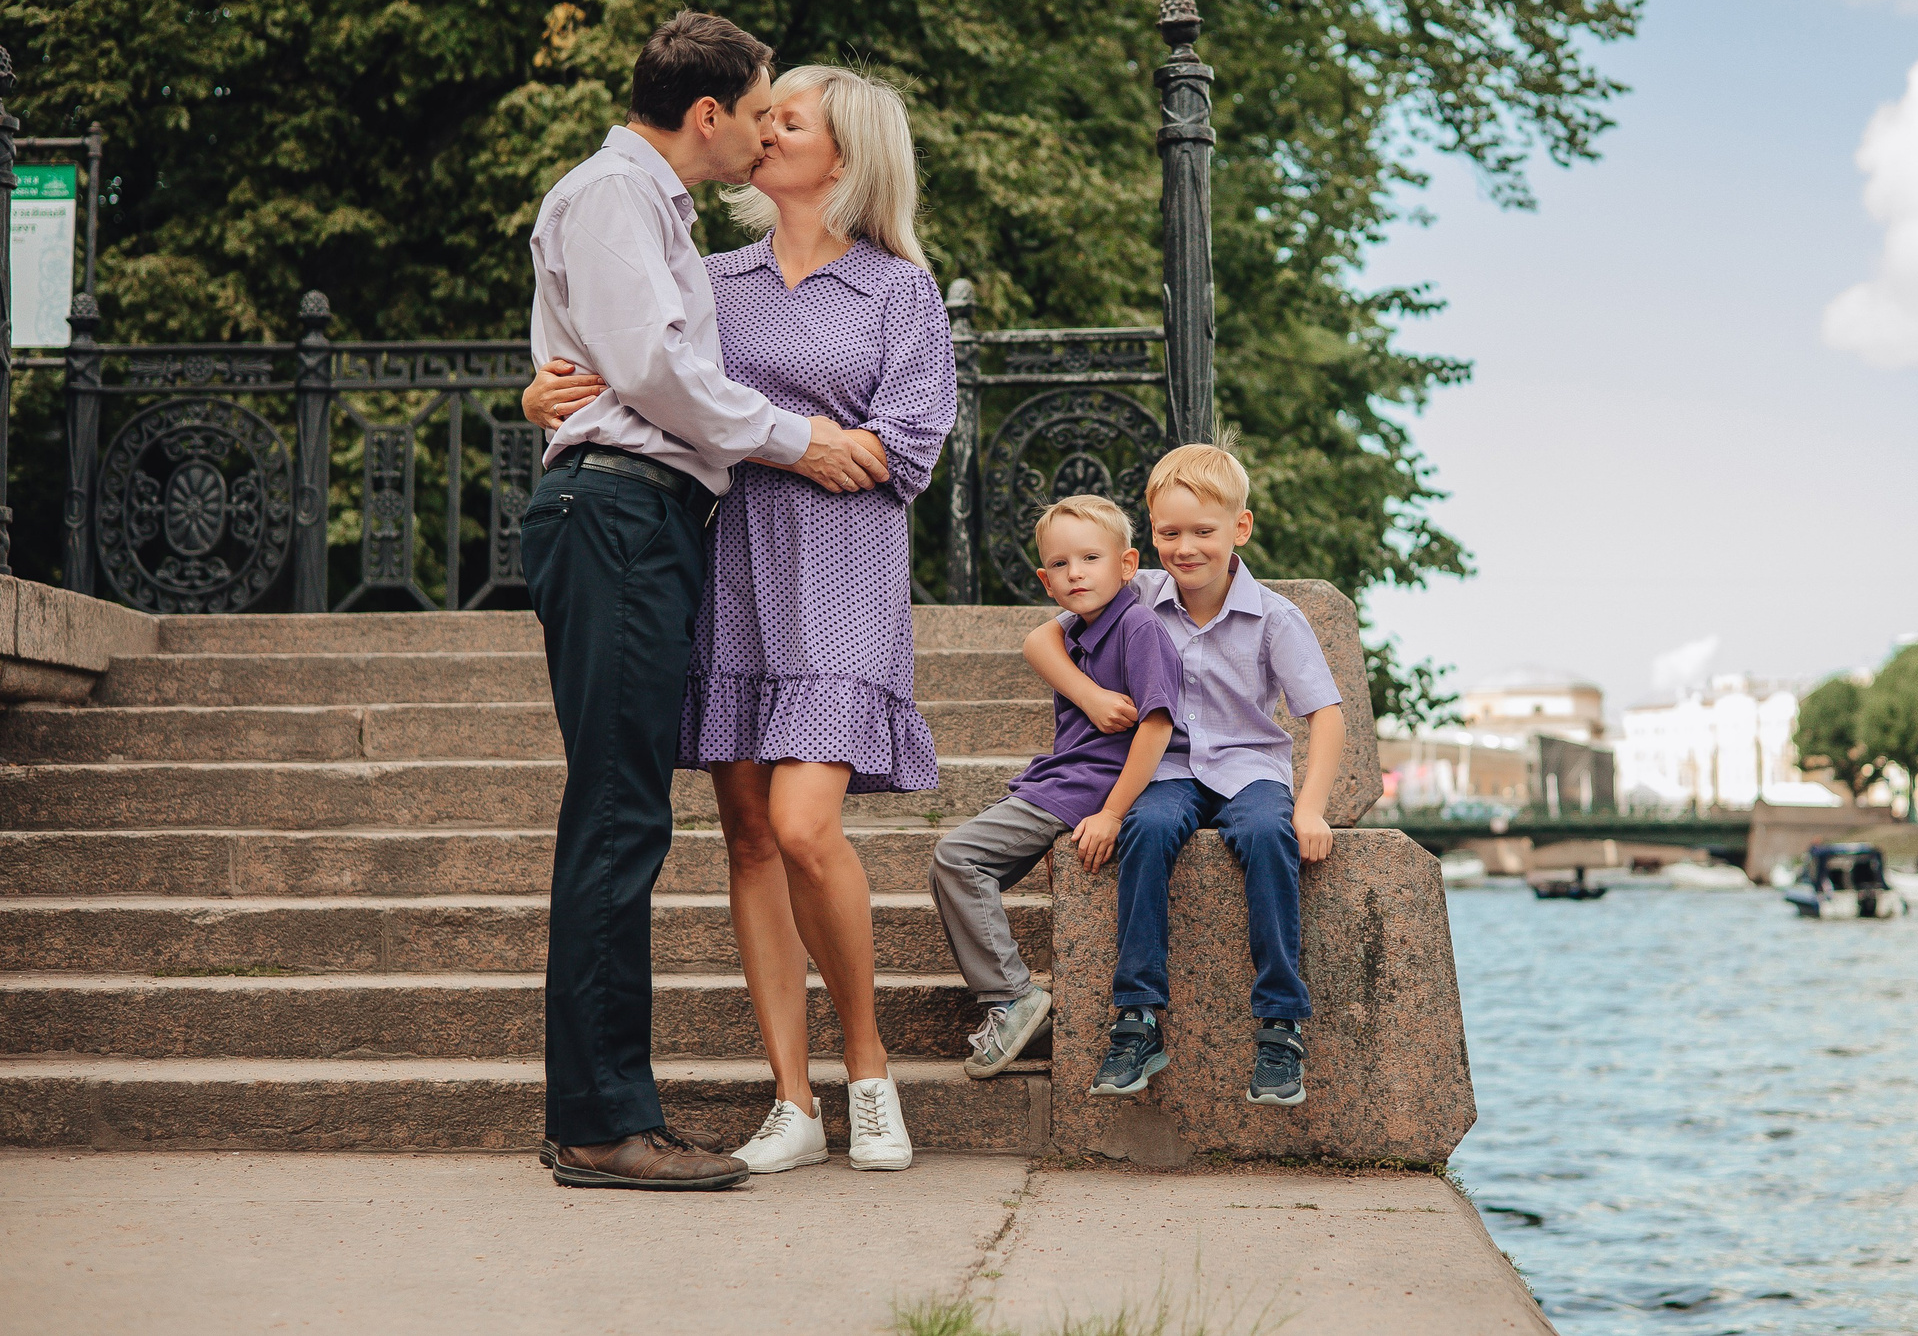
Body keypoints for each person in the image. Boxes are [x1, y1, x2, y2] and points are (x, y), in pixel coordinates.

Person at [525, 65, 955, 1174]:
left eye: (789, 121)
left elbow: (906, 444)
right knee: (751, 836)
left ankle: (868, 1071)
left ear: (846, 157)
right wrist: (541, 391)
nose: (766, 134)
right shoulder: (713, 277)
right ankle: (791, 1100)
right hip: (726, 560)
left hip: (842, 570)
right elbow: (641, 372)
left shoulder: (901, 290)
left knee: (806, 826)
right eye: (766, 116)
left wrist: (796, 441)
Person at [1019, 443, 1345, 1108]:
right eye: (1170, 533)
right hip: (1166, 769)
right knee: (1144, 829)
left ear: (1239, 529)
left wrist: (1310, 807)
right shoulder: (1135, 593)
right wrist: (1088, 695)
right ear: (1151, 535)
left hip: (1250, 769)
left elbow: (1327, 716)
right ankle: (1137, 1018)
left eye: (1203, 532)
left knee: (1268, 835)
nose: (1186, 548)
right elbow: (1042, 639)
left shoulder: (1275, 617)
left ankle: (1281, 1026)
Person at [930, 496, 1182, 1079]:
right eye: (1061, 565)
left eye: (1091, 558)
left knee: (958, 857)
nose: (1076, 574)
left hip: (1084, 788)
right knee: (961, 865)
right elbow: (1037, 642)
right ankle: (1020, 1008)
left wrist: (1113, 813)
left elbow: (1157, 727)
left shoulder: (1139, 627)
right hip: (1059, 778)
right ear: (1045, 581)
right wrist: (1090, 697)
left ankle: (1013, 998)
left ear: (1127, 565)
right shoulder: (1076, 630)